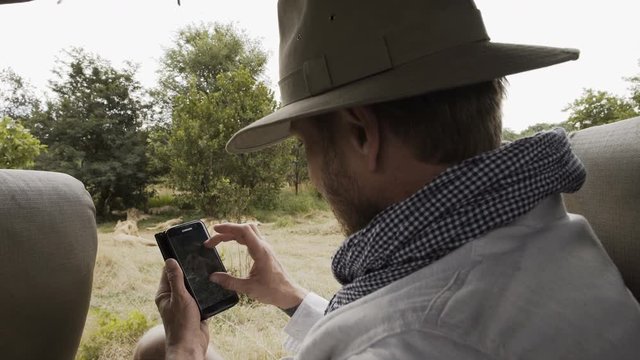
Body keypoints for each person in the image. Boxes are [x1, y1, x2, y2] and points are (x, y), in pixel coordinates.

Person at [135, 0, 640, 359]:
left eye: (309, 146)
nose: (313, 178)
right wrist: (289, 296)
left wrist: (186, 349)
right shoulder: (547, 232)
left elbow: (404, 331)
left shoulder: (420, 337)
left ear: (361, 133)